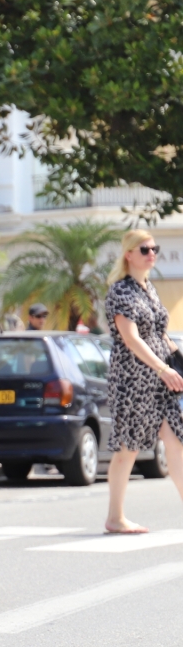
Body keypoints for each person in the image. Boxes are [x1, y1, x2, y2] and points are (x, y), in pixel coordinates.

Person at [103, 229, 183, 534]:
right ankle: (115, 517)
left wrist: (176, 362)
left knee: (176, 444)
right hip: (132, 381)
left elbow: (161, 334)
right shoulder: (120, 291)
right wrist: (163, 368)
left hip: (160, 381)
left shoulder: (148, 288)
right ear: (129, 254)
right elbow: (132, 339)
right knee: (127, 449)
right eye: (145, 249)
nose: (152, 254)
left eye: (155, 249)